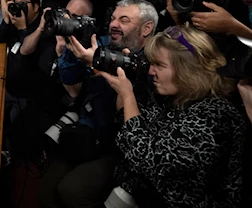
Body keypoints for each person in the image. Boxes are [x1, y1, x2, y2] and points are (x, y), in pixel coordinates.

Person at [100, 26, 245, 207]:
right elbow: (128, 123)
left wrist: (128, 96)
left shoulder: (216, 117)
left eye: (159, 65)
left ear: (189, 69)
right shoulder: (177, 98)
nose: (151, 72)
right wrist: (125, 84)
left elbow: (147, 160)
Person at [37, 0, 158, 208]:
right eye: (112, 19)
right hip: (90, 132)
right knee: (45, 189)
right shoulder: (100, 43)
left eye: (124, 20)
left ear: (146, 28)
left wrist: (98, 64)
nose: (114, 24)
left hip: (122, 147)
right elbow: (69, 78)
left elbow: (147, 106)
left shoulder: (156, 61)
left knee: (72, 190)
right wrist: (75, 51)